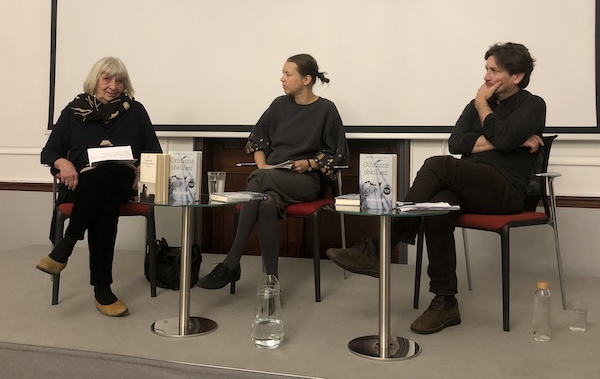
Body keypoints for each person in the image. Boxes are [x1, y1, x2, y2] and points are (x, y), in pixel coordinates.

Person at [327, 42, 546, 334]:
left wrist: (485, 110)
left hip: (506, 192)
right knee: (438, 207)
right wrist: (507, 140)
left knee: (437, 164)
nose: (486, 77)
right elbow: (457, 142)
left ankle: (379, 247)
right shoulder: (476, 104)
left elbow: (501, 139)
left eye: (494, 71)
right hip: (473, 187)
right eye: (486, 69)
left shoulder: (532, 105)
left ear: (517, 76)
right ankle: (445, 301)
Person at [198, 54, 349, 290]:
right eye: (283, 73)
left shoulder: (326, 109)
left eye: (288, 74)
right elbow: (257, 141)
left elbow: (338, 154)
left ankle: (231, 263)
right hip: (271, 177)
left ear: (306, 79)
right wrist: (263, 167)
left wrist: (309, 163)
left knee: (261, 181)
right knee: (266, 202)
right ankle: (272, 282)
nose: (282, 78)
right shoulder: (278, 105)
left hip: (306, 181)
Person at [36, 57, 162, 317]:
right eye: (107, 79)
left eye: (120, 81)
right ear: (95, 80)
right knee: (104, 202)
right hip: (82, 186)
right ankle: (102, 290)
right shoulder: (73, 112)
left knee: (107, 170)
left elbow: (154, 152)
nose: (113, 86)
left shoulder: (136, 111)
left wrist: (143, 169)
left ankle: (66, 245)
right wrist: (63, 163)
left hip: (123, 182)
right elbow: (50, 151)